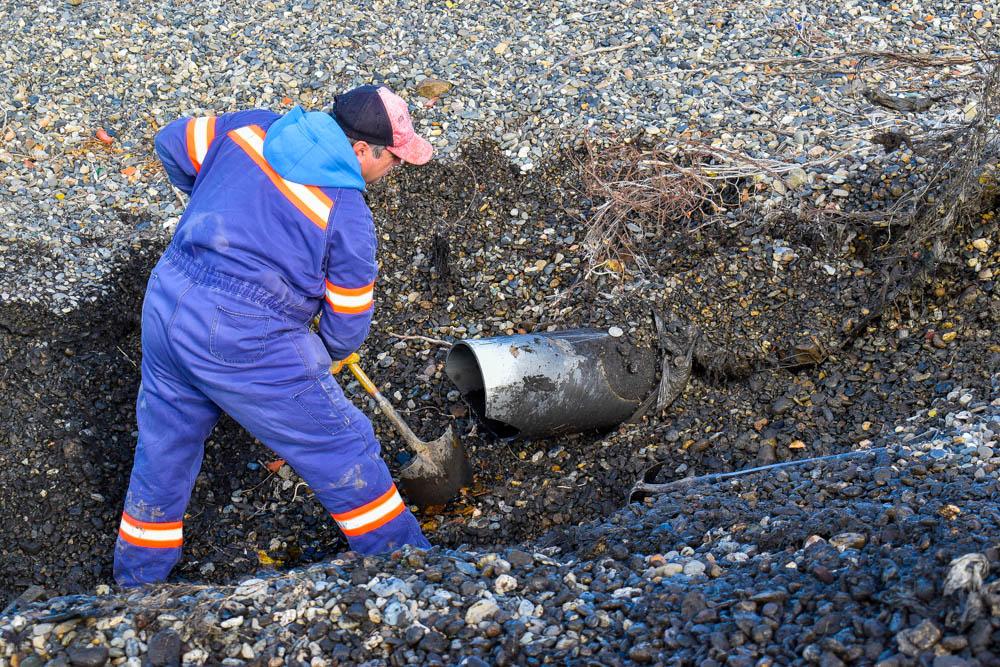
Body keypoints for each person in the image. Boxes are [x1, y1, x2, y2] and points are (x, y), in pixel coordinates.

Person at [114, 85, 434, 587]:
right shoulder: (346, 213)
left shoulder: (252, 127)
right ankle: (411, 570)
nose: (393, 170)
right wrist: (318, 357)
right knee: (344, 447)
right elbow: (347, 321)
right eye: (392, 158)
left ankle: (137, 585)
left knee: (164, 449)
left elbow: (171, 142)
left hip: (168, 299)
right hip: (243, 335)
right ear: (359, 150)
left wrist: (211, 200)